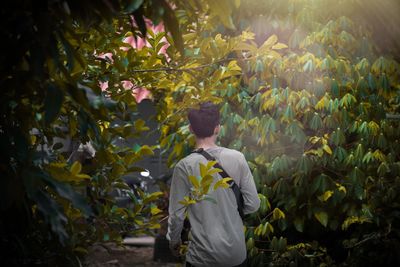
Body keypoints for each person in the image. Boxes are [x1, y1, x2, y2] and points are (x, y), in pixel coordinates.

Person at [166, 102, 260, 267]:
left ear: (191, 129)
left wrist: (174, 241)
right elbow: (253, 205)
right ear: (217, 128)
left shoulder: (185, 166)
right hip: (236, 255)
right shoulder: (237, 158)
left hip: (201, 258)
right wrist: (229, 209)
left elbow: (177, 214)